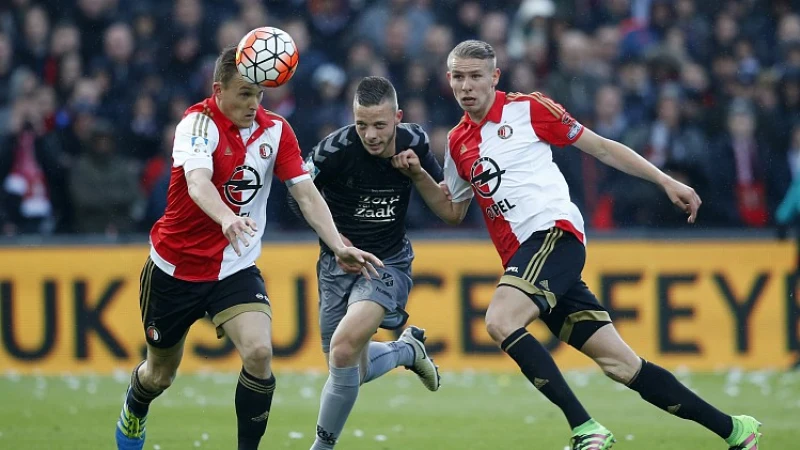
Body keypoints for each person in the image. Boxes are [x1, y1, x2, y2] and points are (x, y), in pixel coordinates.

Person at [391, 39, 762, 450]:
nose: (466, 86)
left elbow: (601, 147)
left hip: (554, 234)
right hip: (529, 258)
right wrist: (418, 176)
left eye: (476, 76)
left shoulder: (529, 109)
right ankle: (736, 430)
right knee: (621, 365)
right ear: (449, 79)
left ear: (494, 77)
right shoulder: (459, 142)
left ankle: (586, 428)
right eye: (458, 77)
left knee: (500, 321)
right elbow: (453, 210)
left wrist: (665, 180)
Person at [114, 46, 383, 450]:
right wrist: (226, 217)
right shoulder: (197, 124)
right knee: (159, 375)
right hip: (175, 269)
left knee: (259, 353)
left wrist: (337, 243)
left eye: (259, 95)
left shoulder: (276, 130)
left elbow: (306, 194)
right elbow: (198, 183)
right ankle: (136, 406)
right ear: (218, 90)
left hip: (234, 267)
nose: (253, 104)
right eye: (244, 94)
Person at [289, 76, 442, 450]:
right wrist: (334, 239)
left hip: (388, 263)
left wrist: (417, 171)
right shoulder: (332, 151)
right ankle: (407, 351)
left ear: (398, 118)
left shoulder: (415, 141)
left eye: (380, 125)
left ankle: (321, 446)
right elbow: (296, 198)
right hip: (336, 266)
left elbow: (442, 196)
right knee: (347, 370)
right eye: (362, 125)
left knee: (343, 347)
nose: (371, 135)